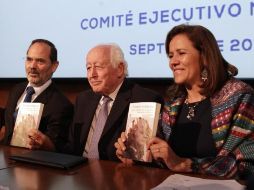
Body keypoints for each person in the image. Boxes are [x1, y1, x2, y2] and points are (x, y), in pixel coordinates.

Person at [115, 24, 254, 178]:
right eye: (170, 55)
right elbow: (165, 160)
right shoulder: (173, 103)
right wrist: (135, 154)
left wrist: (185, 164)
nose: (173, 62)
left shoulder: (239, 96)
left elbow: (246, 164)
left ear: (204, 56)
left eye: (181, 53)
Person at [59, 43, 164, 161]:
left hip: (118, 173)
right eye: (88, 68)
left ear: (120, 69)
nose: (92, 75)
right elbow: (71, 147)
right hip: (79, 171)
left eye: (98, 67)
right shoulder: (83, 99)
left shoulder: (144, 99)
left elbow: (143, 156)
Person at [3, 39, 73, 151]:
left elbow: (56, 148)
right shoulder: (17, 89)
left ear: (54, 66)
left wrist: (45, 143)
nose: (32, 66)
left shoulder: (61, 105)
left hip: (33, 164)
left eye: (40, 61)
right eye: (29, 59)